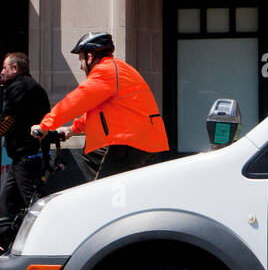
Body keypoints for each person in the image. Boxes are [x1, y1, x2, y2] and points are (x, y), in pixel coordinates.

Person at [32, 32, 169, 180]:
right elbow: (96, 109)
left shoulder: (105, 71)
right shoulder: (117, 68)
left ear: (90, 57)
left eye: (81, 60)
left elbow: (76, 101)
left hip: (130, 143)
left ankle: (104, 198)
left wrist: (44, 126)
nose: (81, 67)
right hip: (139, 139)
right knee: (90, 153)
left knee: (109, 191)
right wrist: (72, 129)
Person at [0, 52, 51, 218]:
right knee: (8, 201)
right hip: (23, 155)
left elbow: (7, 119)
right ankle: (2, 241)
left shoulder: (21, 87)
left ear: (15, 68)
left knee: (32, 202)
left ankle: (49, 233)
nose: (2, 71)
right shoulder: (26, 85)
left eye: (5, 67)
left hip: (27, 155)